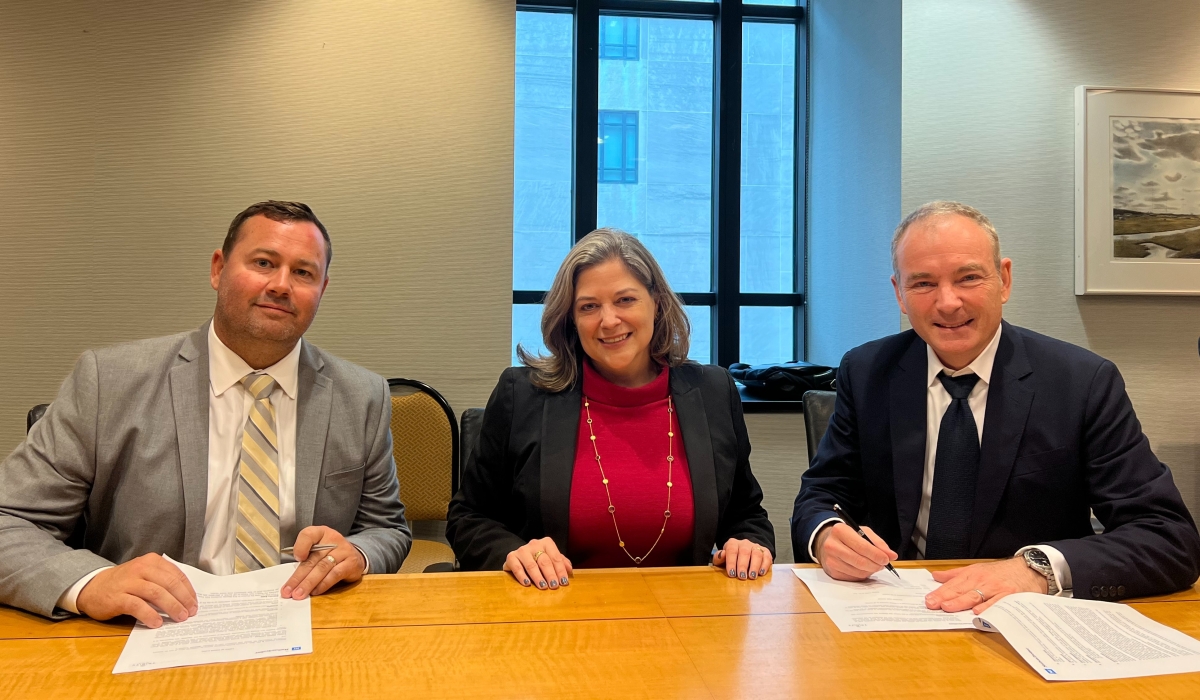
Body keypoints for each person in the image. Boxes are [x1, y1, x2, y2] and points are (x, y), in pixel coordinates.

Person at [0, 201, 410, 624]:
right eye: (264, 262)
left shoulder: (361, 396)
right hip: (146, 629)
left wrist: (358, 554)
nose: (281, 285)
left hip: (307, 626)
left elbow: (388, 529)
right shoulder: (110, 381)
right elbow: (7, 519)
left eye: (303, 272)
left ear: (322, 289)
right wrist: (88, 582)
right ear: (218, 269)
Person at [792, 201, 1200, 613]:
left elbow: (1168, 538)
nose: (948, 303)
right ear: (900, 293)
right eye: (923, 284)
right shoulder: (866, 372)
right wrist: (826, 534)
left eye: (968, 278)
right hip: (894, 607)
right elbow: (822, 494)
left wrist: (1034, 570)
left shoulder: (1081, 382)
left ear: (1003, 280)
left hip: (1028, 613)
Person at [447, 229, 774, 590]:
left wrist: (749, 545)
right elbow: (468, 517)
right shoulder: (522, 395)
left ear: (657, 303)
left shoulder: (712, 391)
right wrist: (513, 552)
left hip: (685, 618)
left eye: (625, 300)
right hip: (552, 617)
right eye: (589, 306)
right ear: (570, 319)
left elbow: (747, 515)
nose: (609, 320)